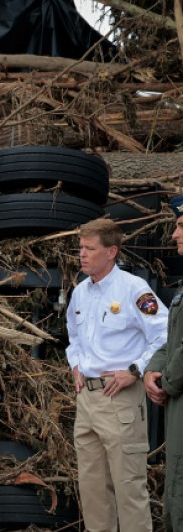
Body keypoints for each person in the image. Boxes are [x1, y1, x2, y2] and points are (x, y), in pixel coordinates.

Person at [65, 218, 167, 532]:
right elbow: (74, 338)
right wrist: (76, 365)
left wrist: (135, 370)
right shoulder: (80, 293)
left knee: (129, 488)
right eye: (80, 248)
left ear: (111, 252)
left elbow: (163, 334)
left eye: (90, 249)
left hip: (120, 398)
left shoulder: (134, 289)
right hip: (88, 402)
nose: (82, 255)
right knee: (93, 491)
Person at [145, 196, 183, 531]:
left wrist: (168, 381)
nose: (174, 234)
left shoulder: (132, 289)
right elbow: (170, 340)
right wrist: (150, 370)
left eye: (181, 226)